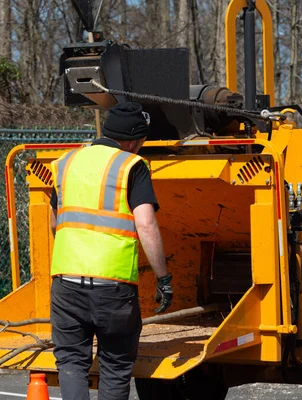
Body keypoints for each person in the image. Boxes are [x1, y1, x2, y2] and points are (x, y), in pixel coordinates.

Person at [49, 101, 173, 400]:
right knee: (115, 366)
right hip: (113, 287)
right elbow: (145, 225)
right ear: (132, 140)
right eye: (141, 142)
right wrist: (163, 278)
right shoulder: (131, 165)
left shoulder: (66, 162)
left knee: (71, 363)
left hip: (66, 283)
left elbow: (55, 222)